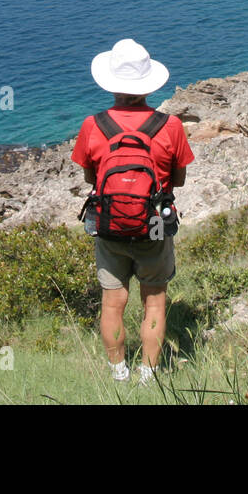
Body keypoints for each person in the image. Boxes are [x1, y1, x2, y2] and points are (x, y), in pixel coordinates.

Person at [71, 39, 193, 385]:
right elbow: (178, 181)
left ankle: (118, 373)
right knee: (153, 302)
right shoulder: (169, 126)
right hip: (153, 225)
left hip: (110, 226)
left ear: (111, 83)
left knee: (113, 303)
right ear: (147, 85)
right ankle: (149, 375)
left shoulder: (93, 125)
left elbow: (90, 177)